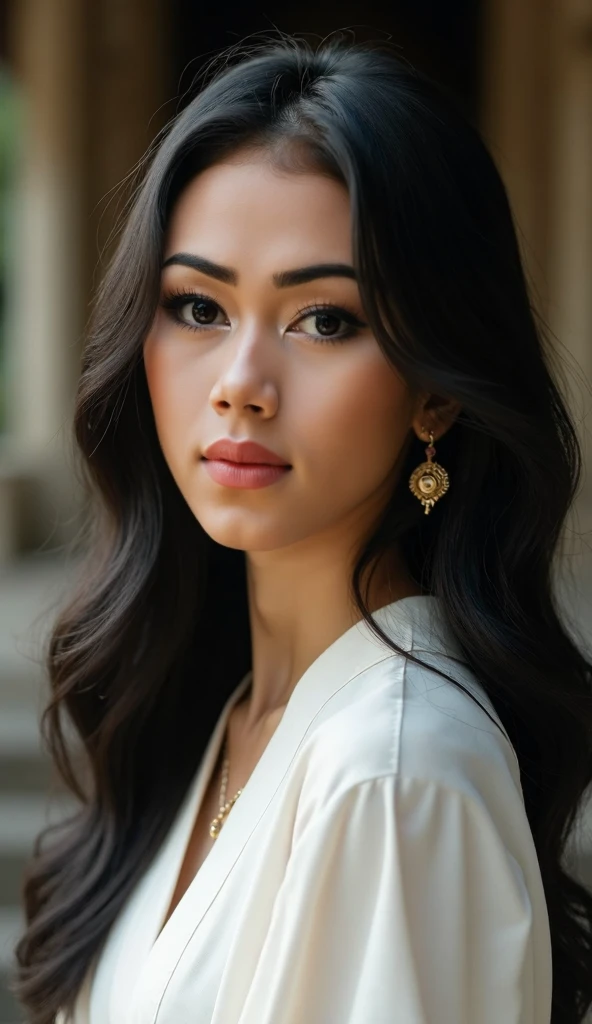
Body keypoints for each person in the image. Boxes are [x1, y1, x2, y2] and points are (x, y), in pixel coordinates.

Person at [12, 32, 592, 1024]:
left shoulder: (394, 774)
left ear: (435, 396)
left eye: (324, 320)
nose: (239, 384)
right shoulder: (240, 712)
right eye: (197, 306)